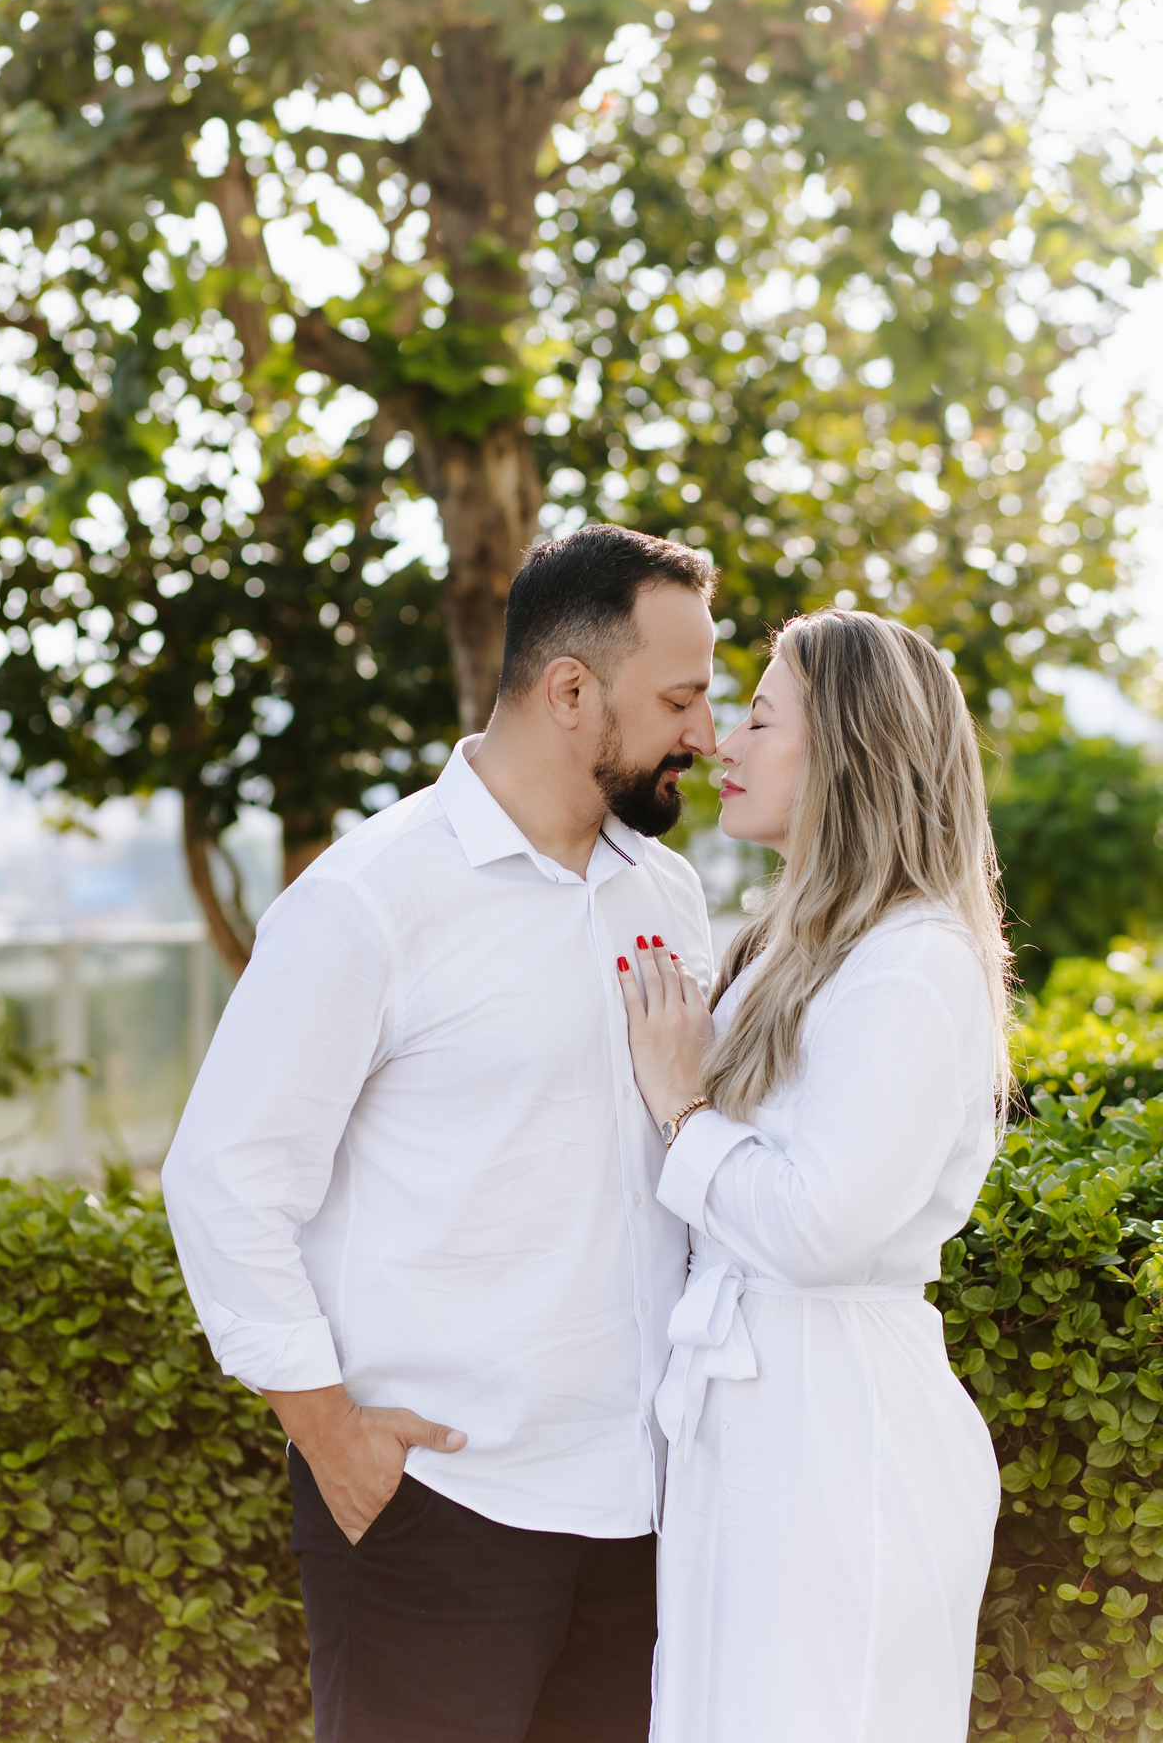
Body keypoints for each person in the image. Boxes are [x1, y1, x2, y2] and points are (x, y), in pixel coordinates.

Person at [161, 523, 719, 1743]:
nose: (707, 734)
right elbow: (223, 1177)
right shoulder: (369, 898)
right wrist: (329, 1431)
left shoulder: (667, 894)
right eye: (680, 700)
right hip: (440, 1507)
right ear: (570, 691)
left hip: (641, 1510)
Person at [617, 609, 1006, 1743]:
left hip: (837, 1434)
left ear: (849, 748)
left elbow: (821, 1229)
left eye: (758, 719)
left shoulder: (913, 963)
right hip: (751, 1419)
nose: (720, 744)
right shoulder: (788, 950)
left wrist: (683, 1109)